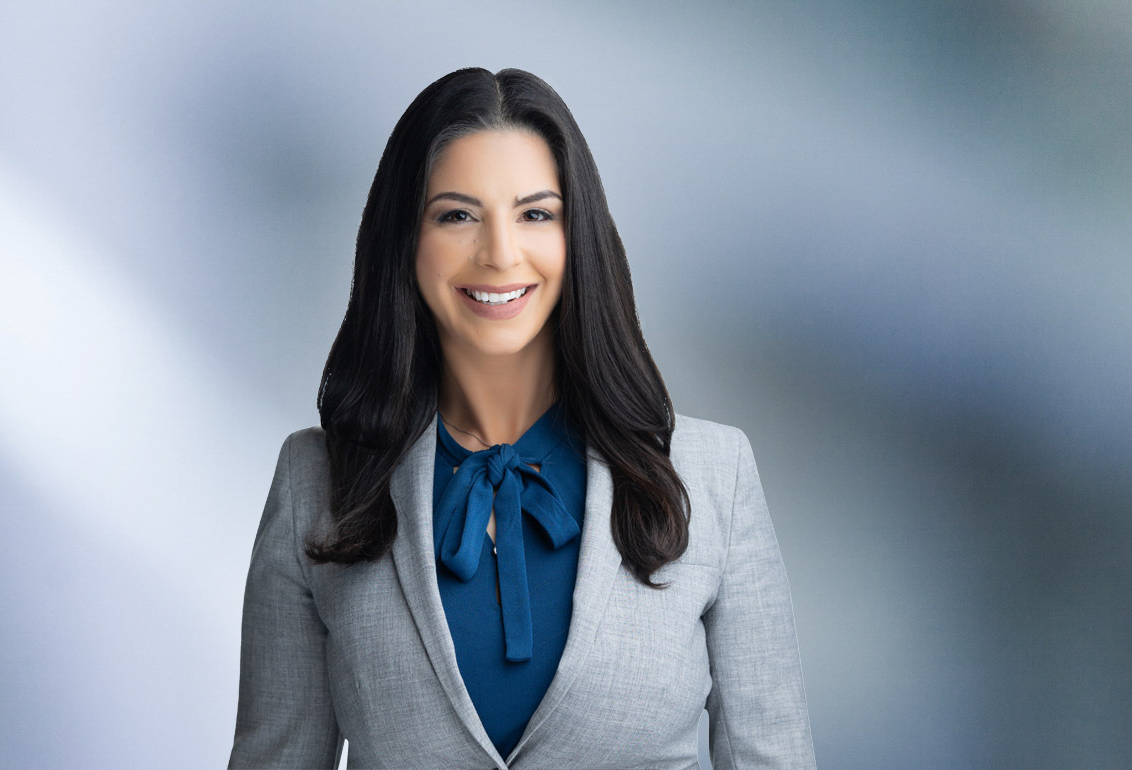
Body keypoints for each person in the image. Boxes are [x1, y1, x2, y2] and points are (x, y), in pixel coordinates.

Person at [229, 67, 815, 769]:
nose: (500, 253)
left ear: (578, 238)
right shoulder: (314, 483)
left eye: (536, 214)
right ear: (405, 243)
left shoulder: (715, 475)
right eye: (457, 215)